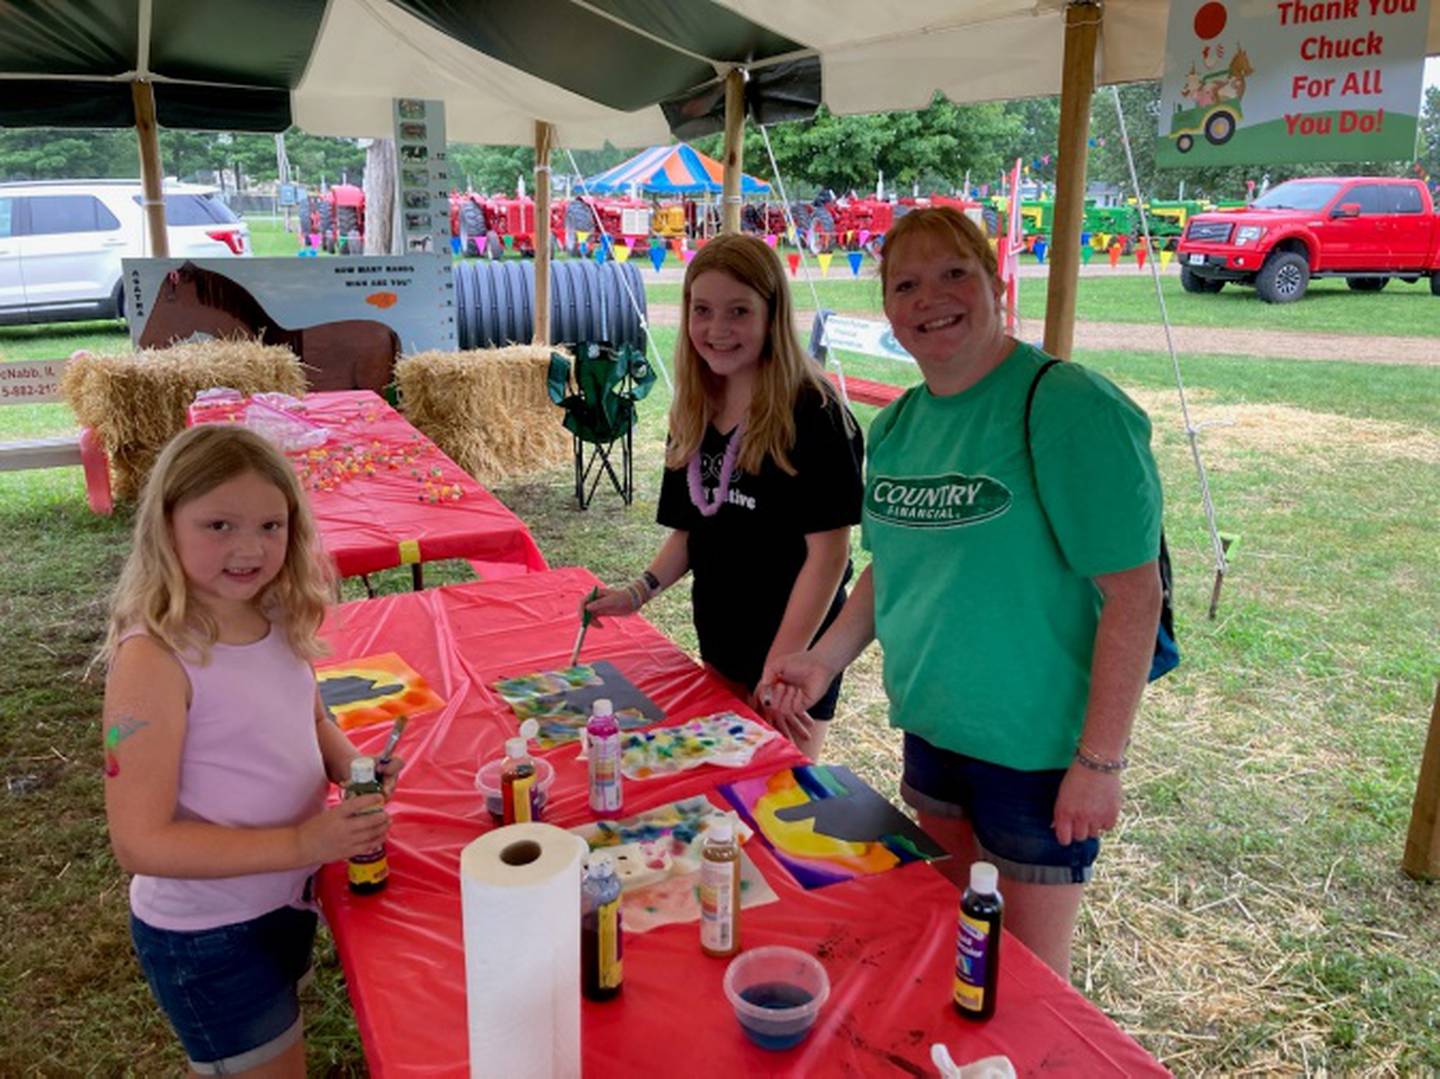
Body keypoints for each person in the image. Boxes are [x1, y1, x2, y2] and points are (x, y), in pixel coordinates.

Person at [763, 207, 1163, 979]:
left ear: (996, 284)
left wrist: (1101, 761)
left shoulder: (1066, 405)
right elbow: (891, 569)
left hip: (1038, 754)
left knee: (1026, 976)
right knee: (955, 942)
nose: (930, 298)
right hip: (936, 731)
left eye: (954, 273)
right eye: (906, 283)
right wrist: (821, 660)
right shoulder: (900, 426)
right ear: (886, 309)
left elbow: (1134, 594)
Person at [102, 424, 402, 1078]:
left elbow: (310, 713)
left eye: (271, 525)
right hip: (208, 937)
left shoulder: (273, 611)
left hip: (282, 899)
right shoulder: (154, 657)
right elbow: (140, 841)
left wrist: (352, 768)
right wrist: (302, 843)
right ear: (166, 523)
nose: (249, 547)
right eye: (219, 525)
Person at [586, 233, 864, 760]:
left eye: (738, 311)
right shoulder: (695, 407)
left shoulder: (814, 412)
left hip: (793, 659)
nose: (717, 330)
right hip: (722, 642)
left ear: (771, 314)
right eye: (703, 310)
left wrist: (780, 665)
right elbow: (691, 532)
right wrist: (637, 592)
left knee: (776, 793)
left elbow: (830, 554)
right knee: (721, 794)